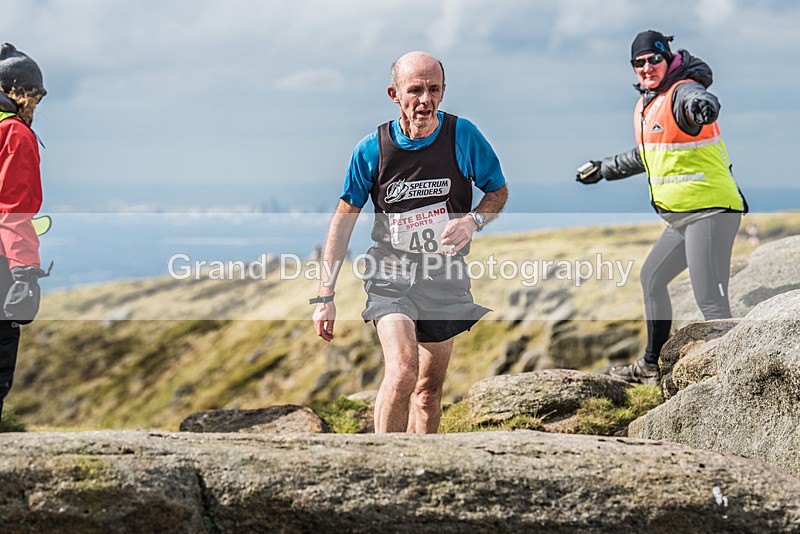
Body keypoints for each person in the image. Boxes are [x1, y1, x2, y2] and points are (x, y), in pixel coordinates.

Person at [312, 51, 508, 434]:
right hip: (390, 272)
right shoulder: (373, 149)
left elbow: (497, 191)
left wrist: (473, 221)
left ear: (444, 91)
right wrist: (325, 295)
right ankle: (383, 466)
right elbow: (343, 219)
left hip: (444, 275)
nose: (425, 99)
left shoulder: (462, 135)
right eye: (415, 90)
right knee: (402, 371)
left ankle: (422, 470)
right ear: (394, 94)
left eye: (434, 89)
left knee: (428, 391)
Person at [577, 31, 745, 384]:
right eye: (639, 62)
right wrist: (603, 169)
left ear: (668, 58)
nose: (647, 67)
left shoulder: (682, 91)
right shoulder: (648, 104)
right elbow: (646, 155)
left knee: (710, 302)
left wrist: (705, 106)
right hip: (682, 218)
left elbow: (698, 100)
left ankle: (742, 377)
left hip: (712, 211)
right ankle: (650, 366)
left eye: (654, 59)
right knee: (651, 279)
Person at [0, 43, 48, 422]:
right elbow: (15, 210)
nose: (36, 103)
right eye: (35, 93)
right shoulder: (14, 134)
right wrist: (25, 273)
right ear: (14, 90)